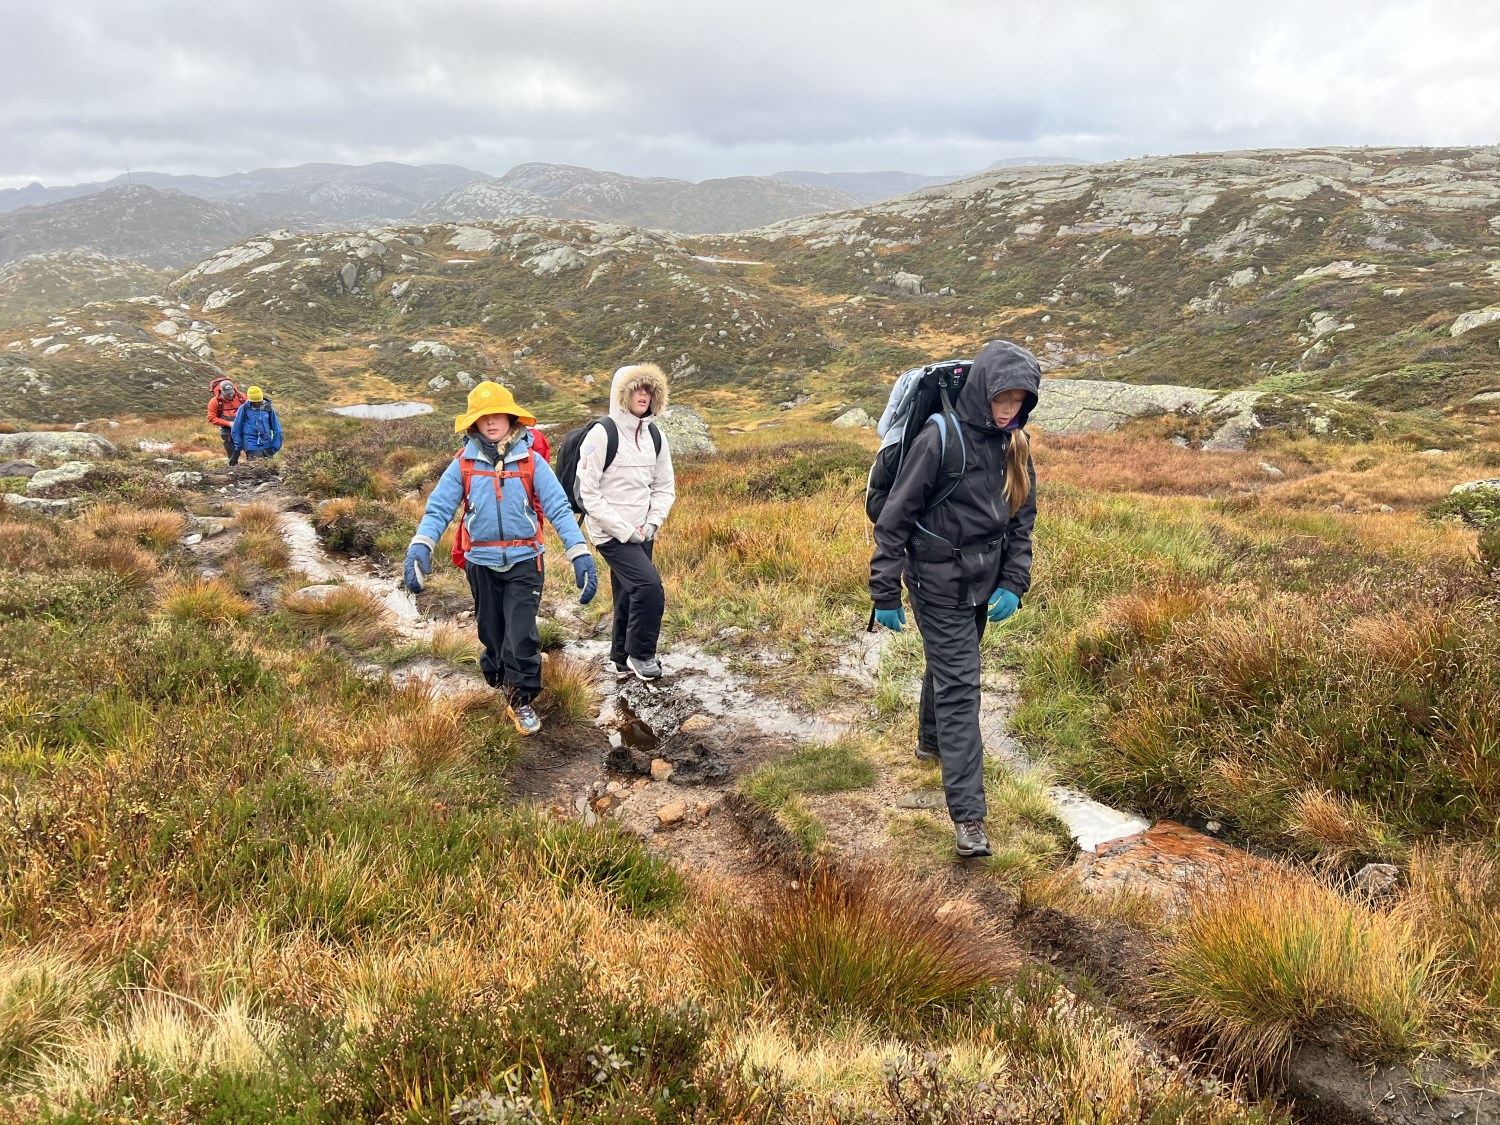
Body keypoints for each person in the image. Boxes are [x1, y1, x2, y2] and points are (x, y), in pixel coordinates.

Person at [869, 340, 1040, 859]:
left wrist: (1013, 581)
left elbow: (1021, 518)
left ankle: (930, 743)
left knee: (949, 668)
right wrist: (885, 591)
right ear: (982, 390)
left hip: (983, 584)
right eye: (1001, 398)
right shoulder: (938, 437)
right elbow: (894, 519)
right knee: (962, 688)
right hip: (935, 582)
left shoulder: (1016, 443)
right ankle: (969, 817)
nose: (1008, 410)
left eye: (1019, 400)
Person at [403, 381, 598, 736]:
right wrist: (422, 544)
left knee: (520, 634)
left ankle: (521, 698)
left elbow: (558, 507)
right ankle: (497, 672)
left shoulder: (532, 461)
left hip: (525, 561)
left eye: (498, 415)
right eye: (483, 417)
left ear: (511, 418)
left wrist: (578, 552)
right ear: (474, 423)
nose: (491, 422)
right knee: (492, 632)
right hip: (480, 562)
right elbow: (439, 508)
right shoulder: (463, 464)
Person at [575, 363, 675, 681]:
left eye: (649, 389)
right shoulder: (602, 433)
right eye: (636, 388)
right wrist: (624, 530)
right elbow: (588, 493)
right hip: (610, 533)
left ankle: (620, 659)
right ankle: (641, 654)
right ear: (623, 393)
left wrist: (651, 524)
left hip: (644, 530)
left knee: (628, 592)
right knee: (648, 587)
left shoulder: (655, 435)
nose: (643, 394)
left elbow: (664, 487)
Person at [230, 385, 283, 461]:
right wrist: (237, 449)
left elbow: (277, 430)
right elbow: (236, 429)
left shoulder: (268, 408)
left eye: (259, 402)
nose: (257, 404)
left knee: (269, 467)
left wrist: (275, 447)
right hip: (251, 444)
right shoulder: (244, 409)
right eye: (254, 402)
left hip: (267, 445)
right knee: (257, 465)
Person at [207, 379, 246, 465]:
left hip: (243, 429)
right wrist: (228, 423)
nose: (231, 395)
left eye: (232, 392)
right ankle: (233, 469)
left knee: (251, 451)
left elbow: (250, 411)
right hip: (227, 432)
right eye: (228, 394)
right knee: (232, 456)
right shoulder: (214, 402)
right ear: (221, 391)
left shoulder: (242, 397)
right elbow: (211, 418)